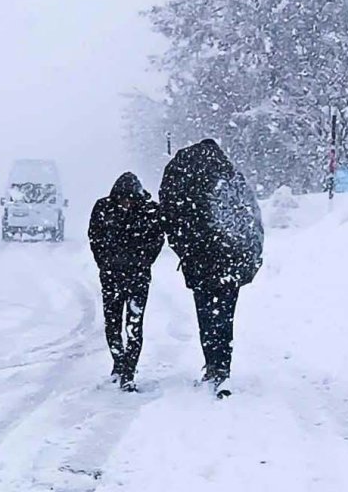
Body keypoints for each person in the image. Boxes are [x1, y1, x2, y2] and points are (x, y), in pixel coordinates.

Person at [159, 139, 263, 398]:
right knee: (225, 318)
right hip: (231, 265)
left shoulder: (187, 184)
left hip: (201, 265)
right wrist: (248, 258)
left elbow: (174, 221)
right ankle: (222, 367)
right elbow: (251, 222)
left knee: (206, 317)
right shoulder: (230, 181)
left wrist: (186, 250)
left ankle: (212, 364)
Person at [89, 172, 165, 392]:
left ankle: (128, 371)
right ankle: (119, 362)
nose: (126, 204)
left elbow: (157, 240)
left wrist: (143, 262)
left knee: (134, 325)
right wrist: (104, 263)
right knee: (112, 324)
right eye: (123, 199)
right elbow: (95, 237)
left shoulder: (149, 212)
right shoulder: (104, 209)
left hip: (137, 277)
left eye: (130, 199)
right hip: (112, 276)